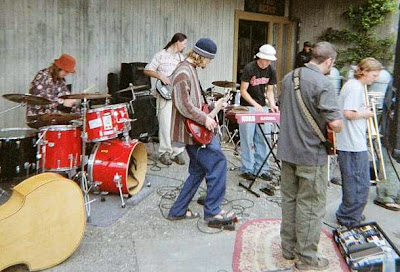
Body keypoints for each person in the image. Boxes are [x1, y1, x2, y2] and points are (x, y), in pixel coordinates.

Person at [277, 42, 343, 271]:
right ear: (328, 61)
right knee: (311, 205)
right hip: (311, 154)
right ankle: (306, 259)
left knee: (290, 200)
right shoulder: (323, 83)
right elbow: (334, 124)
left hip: (287, 150)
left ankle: (288, 249)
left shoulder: (289, 77)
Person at [167, 38, 235, 226]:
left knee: (197, 172)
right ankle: (212, 212)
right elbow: (183, 105)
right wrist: (205, 119)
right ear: (201, 56)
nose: (209, 63)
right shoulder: (182, 72)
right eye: (209, 59)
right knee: (218, 164)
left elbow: (194, 104)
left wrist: (215, 106)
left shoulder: (190, 70)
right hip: (193, 134)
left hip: (194, 130)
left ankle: (178, 210)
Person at [336, 58, 383, 226]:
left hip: (352, 141)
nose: (375, 78)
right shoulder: (355, 87)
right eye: (374, 75)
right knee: (358, 183)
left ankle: (349, 213)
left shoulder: (354, 85)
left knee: (355, 181)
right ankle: (348, 216)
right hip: (352, 143)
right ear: (364, 71)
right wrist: (365, 114)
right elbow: (348, 113)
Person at [144, 33, 188, 166]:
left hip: (177, 94)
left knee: (178, 123)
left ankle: (178, 151)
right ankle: (165, 152)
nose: (185, 46)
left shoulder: (181, 58)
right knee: (165, 123)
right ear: (177, 42)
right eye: (184, 43)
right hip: (164, 93)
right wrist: (160, 76)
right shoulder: (161, 55)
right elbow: (147, 70)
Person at [238, 44, 279, 181]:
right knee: (247, 139)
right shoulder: (249, 68)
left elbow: (269, 90)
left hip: (263, 106)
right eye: (265, 60)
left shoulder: (271, 70)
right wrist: (254, 104)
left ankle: (262, 169)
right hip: (248, 106)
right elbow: (243, 90)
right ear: (259, 57)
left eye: (269, 61)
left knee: (263, 138)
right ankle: (247, 168)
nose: (267, 63)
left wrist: (272, 104)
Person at [26, 54, 79, 128]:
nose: (67, 74)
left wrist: (77, 113)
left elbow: (66, 96)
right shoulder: (42, 76)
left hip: (55, 116)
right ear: (59, 68)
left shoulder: (61, 81)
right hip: (39, 116)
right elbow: (40, 99)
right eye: (66, 71)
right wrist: (62, 102)